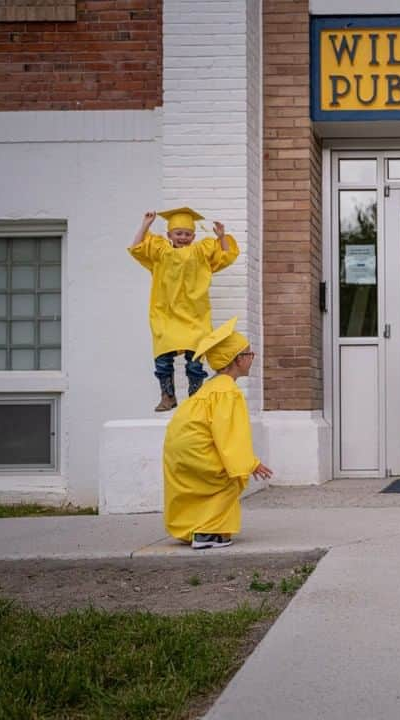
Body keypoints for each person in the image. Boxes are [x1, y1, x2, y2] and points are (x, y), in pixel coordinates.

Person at [162, 317, 272, 549]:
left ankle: (192, 529)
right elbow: (229, 435)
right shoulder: (227, 392)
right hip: (198, 450)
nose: (252, 358)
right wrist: (250, 463)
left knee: (198, 487)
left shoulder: (210, 389)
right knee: (228, 479)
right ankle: (207, 533)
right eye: (248, 353)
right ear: (237, 360)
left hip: (181, 450)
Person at [130, 207, 240, 411]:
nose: (183, 237)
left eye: (187, 234)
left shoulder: (200, 251)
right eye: (178, 233)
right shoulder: (161, 251)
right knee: (163, 359)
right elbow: (137, 248)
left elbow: (225, 255)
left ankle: (195, 397)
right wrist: (145, 225)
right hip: (165, 313)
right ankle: (168, 397)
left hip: (194, 315)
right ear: (169, 234)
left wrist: (222, 236)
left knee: (195, 361)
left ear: (193, 236)